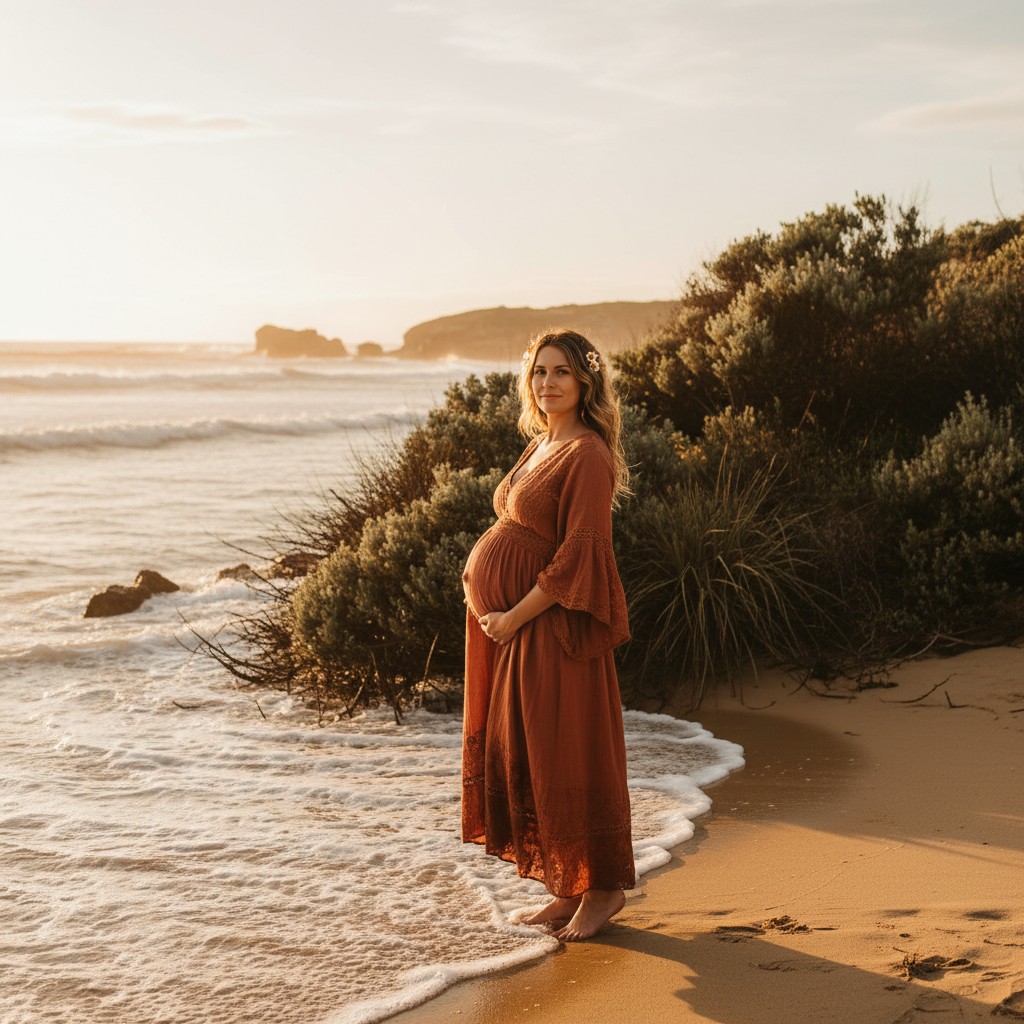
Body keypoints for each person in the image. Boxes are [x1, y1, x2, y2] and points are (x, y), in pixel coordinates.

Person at [461, 328, 635, 941]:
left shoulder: (586, 453)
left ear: (586, 381)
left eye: (561, 372)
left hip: (552, 629)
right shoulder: (540, 445)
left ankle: (604, 889)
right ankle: (568, 888)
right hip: (516, 631)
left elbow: (581, 556)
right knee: (537, 756)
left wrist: (512, 616)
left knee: (569, 752)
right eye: (539, 372)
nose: (548, 383)